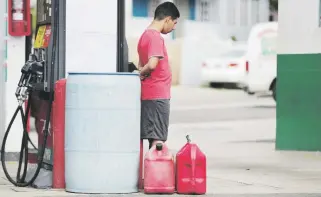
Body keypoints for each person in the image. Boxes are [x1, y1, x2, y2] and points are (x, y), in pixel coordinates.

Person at [137, 2, 180, 149]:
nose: (174, 27)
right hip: (158, 97)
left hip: (149, 95)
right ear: (167, 19)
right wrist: (139, 74)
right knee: (158, 142)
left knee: (153, 139)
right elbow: (152, 64)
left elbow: (140, 64)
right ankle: (156, 172)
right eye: (174, 23)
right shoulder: (155, 37)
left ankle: (151, 171)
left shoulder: (144, 36)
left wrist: (140, 72)